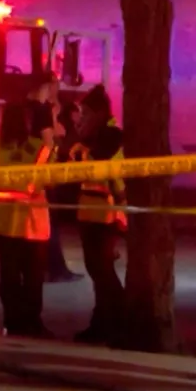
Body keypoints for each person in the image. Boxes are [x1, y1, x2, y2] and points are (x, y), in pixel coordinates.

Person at [0, 97, 55, 338]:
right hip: (32, 222)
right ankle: (31, 323)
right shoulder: (41, 149)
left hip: (1, 220)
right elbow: (50, 181)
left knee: (8, 274)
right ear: (27, 122)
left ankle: (12, 321)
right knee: (33, 276)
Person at [69, 84, 126, 345]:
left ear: (100, 113)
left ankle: (113, 322)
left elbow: (100, 164)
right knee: (98, 272)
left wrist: (81, 141)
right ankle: (104, 322)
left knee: (102, 272)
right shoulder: (97, 137)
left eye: (86, 114)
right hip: (90, 213)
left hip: (104, 214)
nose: (81, 119)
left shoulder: (111, 136)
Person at [46, 101, 85, 283]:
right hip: (53, 185)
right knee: (51, 229)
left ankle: (54, 268)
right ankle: (55, 269)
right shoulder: (69, 133)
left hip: (54, 185)